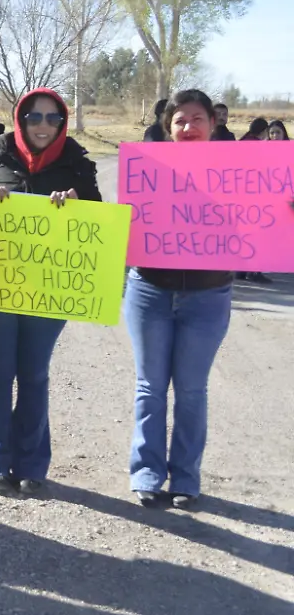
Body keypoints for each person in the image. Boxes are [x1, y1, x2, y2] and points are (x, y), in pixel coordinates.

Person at [0, 87, 103, 497]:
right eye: (35, 117)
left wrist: (78, 204)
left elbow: (98, 223)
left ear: (62, 123)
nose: (43, 125)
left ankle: (31, 463)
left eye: (52, 118)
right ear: (21, 119)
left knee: (35, 375)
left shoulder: (76, 161)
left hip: (49, 289)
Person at [125, 89, 234, 512]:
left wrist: (285, 211)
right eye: (180, 121)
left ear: (213, 123)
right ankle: (147, 474)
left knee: (191, 390)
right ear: (168, 128)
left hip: (208, 297)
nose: (188, 127)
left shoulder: (239, 171)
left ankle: (186, 477)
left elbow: (264, 220)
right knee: (150, 387)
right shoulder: (146, 168)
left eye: (197, 119)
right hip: (150, 291)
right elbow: (128, 221)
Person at [235, 118, 275, 283]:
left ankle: (241, 270)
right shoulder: (257, 145)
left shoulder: (242, 142)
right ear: (264, 131)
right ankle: (254, 271)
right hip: (256, 197)